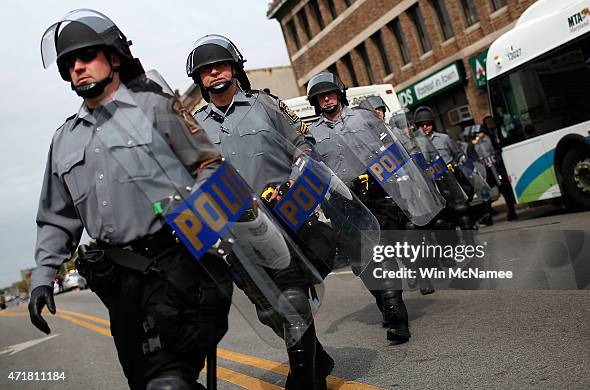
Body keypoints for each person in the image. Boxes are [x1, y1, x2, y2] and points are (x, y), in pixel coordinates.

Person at [29, 10, 232, 390]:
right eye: (69, 63)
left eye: (86, 57)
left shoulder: (155, 106)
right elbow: (57, 218)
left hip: (176, 267)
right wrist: (43, 277)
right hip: (119, 285)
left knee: (167, 382)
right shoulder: (64, 140)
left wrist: (197, 218)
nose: (77, 67)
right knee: (145, 381)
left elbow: (213, 167)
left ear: (114, 58)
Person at [187, 34, 334, 389]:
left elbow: (304, 146)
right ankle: (318, 357)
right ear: (199, 80)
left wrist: (297, 176)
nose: (214, 74)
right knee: (268, 310)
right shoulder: (192, 126)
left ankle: (303, 377)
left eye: (220, 65)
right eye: (206, 71)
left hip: (285, 221)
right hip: (236, 232)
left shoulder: (265, 104)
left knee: (293, 297)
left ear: (235, 68)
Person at [306, 72, 413, 344]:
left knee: (382, 257)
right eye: (320, 97)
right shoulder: (312, 135)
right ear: (316, 102)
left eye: (330, 93)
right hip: (343, 207)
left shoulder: (365, 118)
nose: (326, 99)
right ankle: (386, 304)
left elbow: (394, 149)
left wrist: (387, 179)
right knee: (364, 264)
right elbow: (310, 172)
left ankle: (397, 316)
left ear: (339, 94)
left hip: (376, 199)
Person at [412, 106, 477, 230]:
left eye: (428, 124)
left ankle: (470, 243)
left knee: (462, 211)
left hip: (450, 180)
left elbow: (459, 155)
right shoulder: (415, 143)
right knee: (443, 219)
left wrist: (471, 176)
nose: (425, 127)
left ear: (433, 124)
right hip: (434, 186)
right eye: (422, 125)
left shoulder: (444, 139)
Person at [471, 123, 518, 221]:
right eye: (477, 133)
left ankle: (512, 211)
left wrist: (495, 156)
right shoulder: (475, 144)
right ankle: (488, 215)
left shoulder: (491, 139)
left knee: (505, 190)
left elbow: (499, 150)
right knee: (485, 192)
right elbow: (474, 157)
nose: (478, 134)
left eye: (479, 132)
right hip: (486, 171)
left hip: (497, 169)